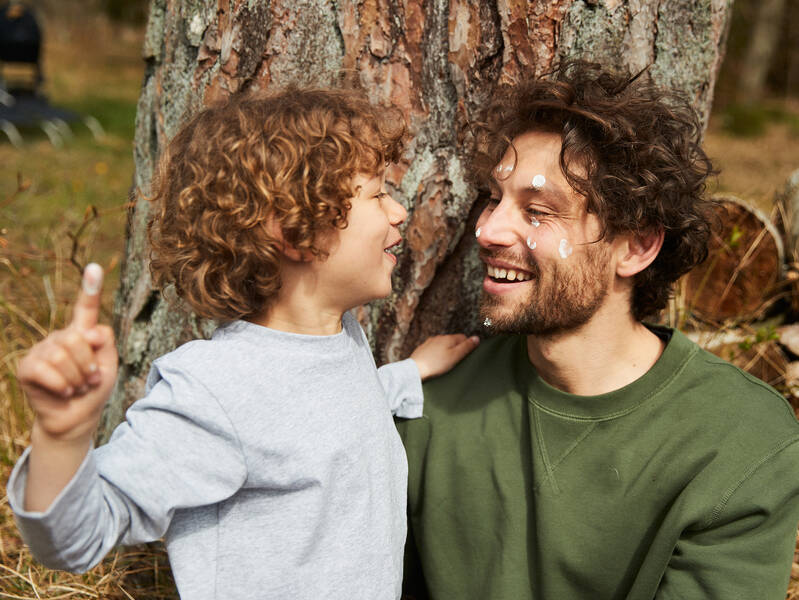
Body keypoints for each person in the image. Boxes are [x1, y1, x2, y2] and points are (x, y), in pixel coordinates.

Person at [7, 88, 479, 599]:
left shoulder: (340, 336)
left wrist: (410, 373)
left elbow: (326, 417)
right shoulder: (216, 391)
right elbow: (75, 538)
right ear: (296, 231)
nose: (399, 211)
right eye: (377, 195)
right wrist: (62, 435)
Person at [397, 61, 799, 599]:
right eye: (494, 198)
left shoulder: (738, 440)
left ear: (635, 246)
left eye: (538, 211)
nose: (487, 229)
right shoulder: (430, 408)